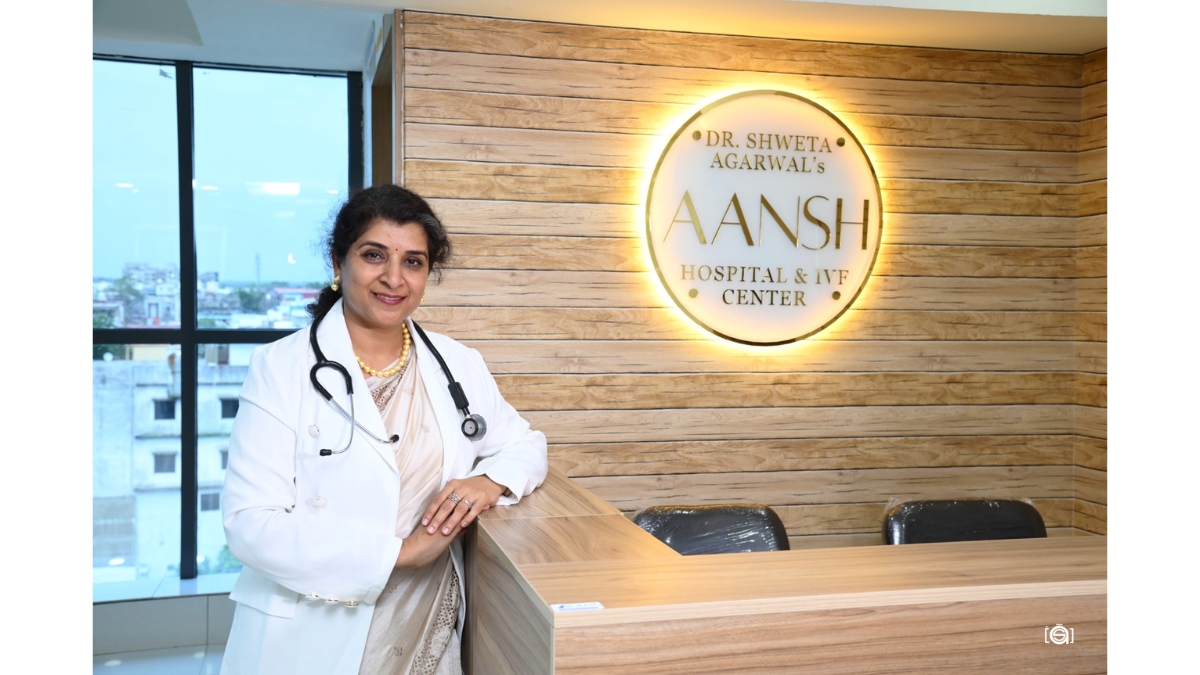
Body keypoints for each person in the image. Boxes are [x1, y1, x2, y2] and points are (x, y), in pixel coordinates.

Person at [219, 185, 548, 675]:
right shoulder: (280, 368)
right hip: (314, 626)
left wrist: (487, 481)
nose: (394, 278)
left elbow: (526, 445)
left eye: (413, 262)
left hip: (427, 620)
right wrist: (401, 553)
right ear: (339, 261)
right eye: (374, 255)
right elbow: (249, 525)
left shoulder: (457, 363)